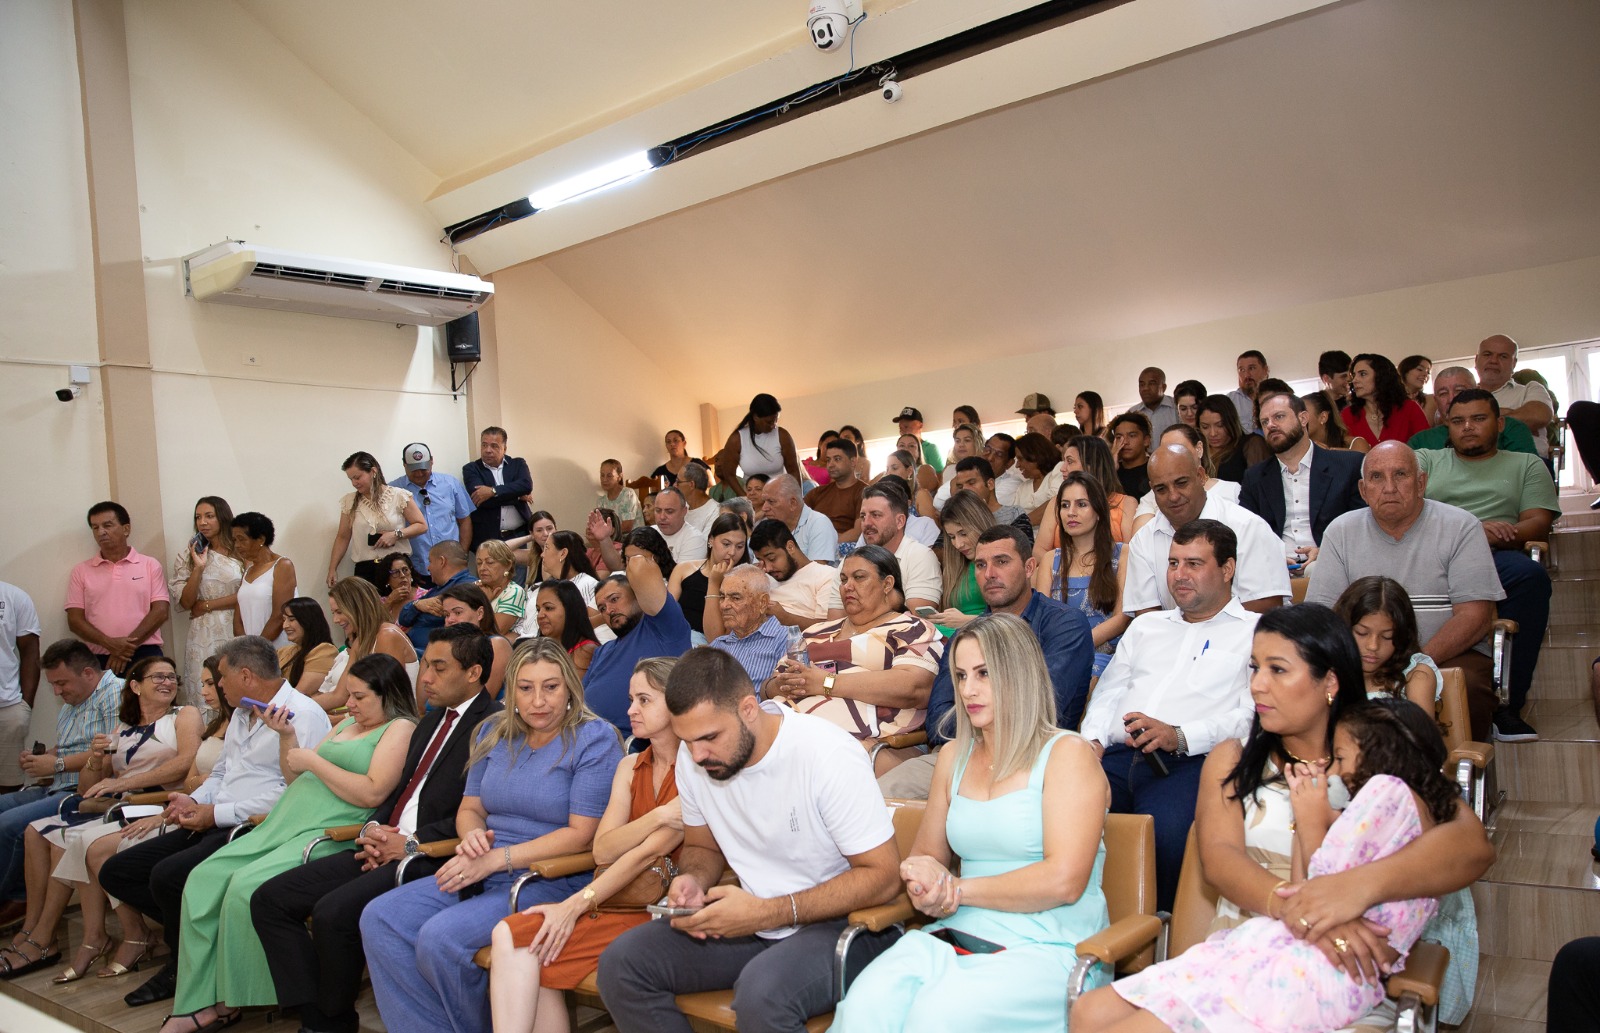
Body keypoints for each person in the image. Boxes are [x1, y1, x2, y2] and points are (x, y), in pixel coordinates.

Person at [1076, 697, 1465, 1033]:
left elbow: (1320, 889)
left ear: (1380, 757)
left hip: (1313, 974)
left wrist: (1311, 820)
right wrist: (1309, 822)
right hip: (1292, 954)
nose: (1333, 771)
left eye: (1342, 758)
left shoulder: (1389, 795)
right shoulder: (1400, 812)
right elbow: (1304, 888)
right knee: (1090, 1010)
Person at [595, 647, 901, 1032]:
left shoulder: (825, 753)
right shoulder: (696, 758)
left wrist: (767, 912)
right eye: (687, 740)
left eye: (709, 737)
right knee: (622, 964)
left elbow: (883, 876)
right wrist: (693, 881)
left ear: (748, 709)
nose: (698, 755)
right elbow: (702, 847)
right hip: (755, 920)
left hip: (844, 924)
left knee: (761, 995)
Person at [833, 612, 1109, 1033]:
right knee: (864, 1008)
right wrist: (922, 879)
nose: (967, 690)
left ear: (1019, 674)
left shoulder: (1068, 754)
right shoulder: (952, 756)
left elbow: (1064, 881)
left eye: (984, 673)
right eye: (960, 676)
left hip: (1051, 942)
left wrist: (957, 889)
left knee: (935, 1019)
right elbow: (928, 855)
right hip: (961, 928)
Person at [361, 639, 621, 1033]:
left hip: (548, 878)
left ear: (570, 688)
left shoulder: (593, 738)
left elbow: (581, 836)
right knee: (381, 918)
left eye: (551, 687)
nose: (538, 701)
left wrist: (496, 860)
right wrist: (472, 839)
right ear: (511, 691)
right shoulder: (494, 732)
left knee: (440, 939)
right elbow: (470, 810)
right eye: (526, 688)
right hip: (482, 865)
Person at [251, 625, 498, 1033]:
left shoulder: (493, 726)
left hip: (428, 855)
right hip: (384, 842)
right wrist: (373, 830)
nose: (426, 677)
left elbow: (478, 813)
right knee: (270, 900)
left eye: (439, 668)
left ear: (473, 673)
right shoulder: (431, 721)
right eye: (426, 666)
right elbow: (399, 793)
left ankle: (329, 1023)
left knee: (332, 914)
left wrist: (410, 844)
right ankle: (318, 1014)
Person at [157, 647, 415, 1033]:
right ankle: (196, 998)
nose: (349, 704)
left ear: (388, 694)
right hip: (287, 818)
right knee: (203, 878)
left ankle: (234, 996)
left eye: (359, 697)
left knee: (243, 886)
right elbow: (296, 778)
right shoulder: (346, 724)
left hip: (327, 828)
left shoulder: (400, 727)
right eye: (349, 694)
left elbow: (373, 792)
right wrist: (287, 737)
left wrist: (313, 761)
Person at [97, 636, 330, 1010]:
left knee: (169, 876)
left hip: (255, 827)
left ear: (246, 675)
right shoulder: (240, 712)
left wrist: (215, 814)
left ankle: (183, 967)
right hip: (215, 816)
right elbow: (222, 773)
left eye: (221, 677)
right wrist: (194, 800)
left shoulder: (303, 714)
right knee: (118, 871)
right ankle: (200, 943)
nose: (219, 685)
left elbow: (294, 793)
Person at [487, 657, 683, 1033]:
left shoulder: (697, 768)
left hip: (657, 908)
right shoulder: (630, 766)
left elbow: (645, 853)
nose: (631, 710)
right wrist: (659, 816)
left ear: (676, 703)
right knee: (514, 935)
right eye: (631, 699)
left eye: (644, 700)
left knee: (529, 944)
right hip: (613, 896)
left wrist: (574, 905)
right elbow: (603, 850)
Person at [1082, 520, 1259, 909]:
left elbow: (1252, 717)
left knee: (1167, 836)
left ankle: (1157, 932)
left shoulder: (1256, 633)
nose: (1179, 575)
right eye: (1173, 563)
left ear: (1227, 568)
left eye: (1194, 564)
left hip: (1189, 763)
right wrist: (1092, 741)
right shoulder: (1147, 626)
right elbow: (1110, 692)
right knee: (1061, 815)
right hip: (1115, 756)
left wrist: (1179, 735)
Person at [1306, 442, 1505, 741]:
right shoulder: (1340, 531)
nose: (1389, 488)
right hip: (1364, 656)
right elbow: (1322, 616)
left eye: (1400, 474)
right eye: (1376, 477)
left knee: (1469, 689)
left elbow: (1475, 617)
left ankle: (1454, 767)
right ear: (1362, 490)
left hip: (1448, 655)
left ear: (1421, 482)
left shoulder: (1462, 526)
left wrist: (1413, 664)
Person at [19, 654, 200, 983]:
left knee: (81, 843)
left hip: (158, 804)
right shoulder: (123, 726)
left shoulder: (183, 715)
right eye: (158, 677)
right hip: (120, 806)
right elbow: (88, 790)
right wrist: (96, 759)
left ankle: (129, 934)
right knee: (47, 835)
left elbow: (187, 761)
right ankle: (83, 934)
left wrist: (123, 783)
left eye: (171, 677)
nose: (167, 682)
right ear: (136, 686)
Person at [880, 526, 1094, 799]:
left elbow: (1045, 708)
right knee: (883, 795)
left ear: (1029, 567)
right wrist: (992, 721)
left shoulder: (1064, 625)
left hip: (1035, 759)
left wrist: (975, 717)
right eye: (981, 565)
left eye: (1001, 562)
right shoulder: (965, 636)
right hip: (962, 755)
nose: (990, 573)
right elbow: (938, 722)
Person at [1416, 389, 1556, 742]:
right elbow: (1403, 508)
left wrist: (1492, 535)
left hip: (1495, 554)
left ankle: (1506, 708)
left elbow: (1538, 522)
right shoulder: (1426, 460)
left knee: (1531, 577)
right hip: (1432, 551)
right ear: (1447, 427)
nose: (1467, 427)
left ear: (1500, 424)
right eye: (1458, 421)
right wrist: (1471, 529)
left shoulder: (1525, 464)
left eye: (1478, 419)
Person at [766, 547, 943, 773]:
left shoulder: (912, 629)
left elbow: (914, 688)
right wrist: (781, 685)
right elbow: (769, 687)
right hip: (784, 730)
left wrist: (825, 683)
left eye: (859, 577)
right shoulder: (815, 632)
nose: (847, 586)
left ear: (887, 584)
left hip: (859, 745)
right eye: (843, 579)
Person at [0, 638, 120, 947]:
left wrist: (56, 764)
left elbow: (111, 752)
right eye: (53, 684)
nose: (57, 691)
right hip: (55, 785)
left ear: (88, 673)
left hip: (86, 792)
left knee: (9, 826)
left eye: (61, 683)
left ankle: (17, 898)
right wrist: (42, 758)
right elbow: (67, 748)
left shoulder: (115, 693)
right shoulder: (72, 702)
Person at [1124, 446, 1290, 615]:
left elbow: (1265, 607)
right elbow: (1147, 617)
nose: (1173, 496)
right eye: (1161, 489)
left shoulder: (1248, 527)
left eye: (1181, 483)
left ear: (1201, 476)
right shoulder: (1143, 541)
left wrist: (1199, 627)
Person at [1239, 390, 1367, 573]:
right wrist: (1272, 556)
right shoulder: (1254, 477)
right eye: (1265, 422)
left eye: (1279, 417)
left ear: (1303, 419)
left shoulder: (1348, 466)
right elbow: (1247, 534)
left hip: (1334, 564)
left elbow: (1363, 526)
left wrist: (1326, 552)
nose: (1271, 425)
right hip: (1276, 569)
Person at [585, 552, 693, 732]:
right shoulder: (602, 651)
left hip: (634, 740)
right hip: (586, 736)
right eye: (602, 608)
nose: (609, 610)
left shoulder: (664, 627)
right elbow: (579, 699)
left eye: (614, 599)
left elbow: (638, 565)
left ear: (637, 595)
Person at [1035, 472, 1130, 676]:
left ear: (1099, 511)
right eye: (1065, 505)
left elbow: (1122, 617)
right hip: (1060, 655)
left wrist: (1078, 642)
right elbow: (1043, 619)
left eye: (1081, 504)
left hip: (1107, 655)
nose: (1071, 512)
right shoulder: (1050, 560)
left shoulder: (1123, 554)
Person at [67, 502, 171, 675]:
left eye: (107, 525)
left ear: (126, 529)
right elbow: (74, 620)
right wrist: (110, 644)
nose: (101, 532)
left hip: (145, 653)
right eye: (95, 527)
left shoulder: (150, 565)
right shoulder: (81, 571)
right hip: (99, 657)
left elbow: (160, 612)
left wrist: (125, 648)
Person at [168, 497, 242, 703]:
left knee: (235, 683)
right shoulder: (188, 555)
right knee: (206, 687)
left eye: (209, 516)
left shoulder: (240, 550)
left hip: (235, 624)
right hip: (202, 633)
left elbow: (250, 592)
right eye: (198, 517)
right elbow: (186, 603)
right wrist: (198, 567)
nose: (203, 522)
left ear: (222, 518)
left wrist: (208, 605)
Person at [1333, 577, 1440, 709]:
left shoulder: (1415, 675)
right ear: (1342, 628)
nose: (1373, 646)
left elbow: (1420, 722)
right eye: (1362, 633)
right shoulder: (1325, 671)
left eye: (1387, 636)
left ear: (1403, 636)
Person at [327, 451, 428, 592]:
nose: (354, 483)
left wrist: (396, 534)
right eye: (351, 479)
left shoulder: (398, 495)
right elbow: (343, 537)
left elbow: (421, 525)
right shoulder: (349, 501)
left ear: (373, 471)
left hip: (396, 569)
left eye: (357, 477)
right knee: (368, 606)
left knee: (401, 604)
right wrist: (332, 568)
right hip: (366, 570)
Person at [319, 577, 419, 713]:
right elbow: (339, 695)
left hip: (396, 718)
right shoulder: (360, 642)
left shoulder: (387, 635)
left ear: (358, 607)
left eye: (339, 612)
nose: (335, 620)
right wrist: (297, 705)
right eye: (333, 613)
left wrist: (339, 719)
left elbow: (390, 700)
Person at [1129, 424, 1241, 537]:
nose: (1173, 497)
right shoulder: (1151, 497)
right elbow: (1141, 538)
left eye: (1179, 449)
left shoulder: (1231, 490)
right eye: (1166, 451)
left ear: (1199, 449)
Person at [1410, 366, 1539, 455]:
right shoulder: (1421, 441)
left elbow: (1527, 474)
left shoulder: (1510, 428)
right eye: (1443, 393)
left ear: (1478, 391)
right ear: (1435, 400)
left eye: (1459, 390)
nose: (1452, 399)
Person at [704, 565, 790, 695]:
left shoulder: (786, 640)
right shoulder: (718, 645)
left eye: (735, 598)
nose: (724, 605)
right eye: (722, 597)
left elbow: (787, 695)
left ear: (762, 603)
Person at [859, 481, 943, 611]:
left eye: (876, 515)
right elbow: (835, 617)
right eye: (863, 516)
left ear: (900, 521)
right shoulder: (852, 561)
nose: (866, 523)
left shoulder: (920, 557)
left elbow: (917, 618)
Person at [669, 514, 750, 645]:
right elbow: (667, 615)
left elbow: (716, 638)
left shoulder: (743, 582)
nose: (732, 552)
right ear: (711, 540)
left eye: (739, 546)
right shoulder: (684, 569)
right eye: (726, 544)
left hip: (707, 646)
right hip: (675, 637)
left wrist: (715, 583)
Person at [391, 442, 475, 569]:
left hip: (451, 564)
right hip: (414, 566)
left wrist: (462, 555)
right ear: (404, 464)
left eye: (423, 469)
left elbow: (465, 521)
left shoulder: (450, 484)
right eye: (414, 469)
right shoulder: (394, 490)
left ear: (431, 461)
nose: (419, 474)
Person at [749, 519, 844, 629]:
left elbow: (830, 628)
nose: (768, 568)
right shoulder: (763, 578)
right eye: (761, 561)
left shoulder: (826, 576)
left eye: (772, 558)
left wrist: (786, 618)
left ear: (790, 547)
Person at [1476, 334, 1555, 462]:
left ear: (1514, 363)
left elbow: (1538, 416)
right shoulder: (1462, 396)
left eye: (1503, 356)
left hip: (1526, 462)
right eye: (1487, 354)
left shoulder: (1531, 389)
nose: (1493, 361)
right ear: (1476, 360)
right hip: (1474, 464)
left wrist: (1476, 420)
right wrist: (1514, 420)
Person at [928, 491, 996, 632]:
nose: (958, 544)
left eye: (963, 534)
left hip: (986, 635)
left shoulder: (1002, 565)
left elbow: (1016, 618)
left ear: (979, 524)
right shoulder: (954, 568)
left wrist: (968, 621)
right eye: (952, 537)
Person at [230, 511, 296, 648]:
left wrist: (257, 648)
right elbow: (238, 620)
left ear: (260, 539)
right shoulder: (247, 571)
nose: (236, 545)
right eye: (234, 540)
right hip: (250, 651)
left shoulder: (282, 566)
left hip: (276, 648)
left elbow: (279, 616)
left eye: (241, 539)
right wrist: (245, 647)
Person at [398, 541, 476, 654]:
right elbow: (403, 619)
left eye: (430, 561)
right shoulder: (436, 589)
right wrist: (417, 605)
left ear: (442, 561)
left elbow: (439, 616)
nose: (428, 568)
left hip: (433, 654)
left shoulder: (468, 586)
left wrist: (418, 611)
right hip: (412, 648)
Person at [462, 426, 535, 546]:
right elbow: (482, 501)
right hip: (489, 539)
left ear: (504, 448)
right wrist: (517, 497)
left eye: (494, 446)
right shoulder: (471, 469)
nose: (488, 450)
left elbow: (526, 485)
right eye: (484, 445)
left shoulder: (517, 464)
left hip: (518, 535)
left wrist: (493, 491)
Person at [0, 582, 40, 794]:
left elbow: (30, 652)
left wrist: (25, 706)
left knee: (8, 785)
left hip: (7, 707)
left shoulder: (14, 596)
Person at [1343, 353, 1431, 447]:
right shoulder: (1348, 415)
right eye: (1354, 375)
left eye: (1362, 374)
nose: (1355, 380)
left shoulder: (1410, 408)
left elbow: (1427, 446)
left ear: (1381, 376)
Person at [440, 584, 512, 698]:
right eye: (446, 615)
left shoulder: (496, 645)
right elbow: (422, 702)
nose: (450, 620)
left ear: (480, 613)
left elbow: (482, 699)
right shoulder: (447, 647)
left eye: (458, 612)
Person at [717, 394, 802, 487]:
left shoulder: (783, 436)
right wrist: (744, 495)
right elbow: (729, 474)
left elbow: (794, 471)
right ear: (755, 417)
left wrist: (798, 495)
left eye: (776, 420)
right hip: (752, 494)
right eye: (769, 422)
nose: (774, 425)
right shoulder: (737, 439)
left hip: (780, 492)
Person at [943, 457, 1033, 542]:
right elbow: (940, 549)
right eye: (960, 486)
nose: (965, 489)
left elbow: (1024, 548)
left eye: (971, 483)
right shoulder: (956, 515)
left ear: (990, 484)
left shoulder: (1014, 514)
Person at [761, 475, 839, 563]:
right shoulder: (767, 527)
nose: (764, 508)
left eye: (771, 501)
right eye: (764, 501)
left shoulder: (819, 524)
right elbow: (757, 565)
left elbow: (818, 569)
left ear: (793, 503)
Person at [531, 580, 602, 676]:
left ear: (570, 610)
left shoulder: (585, 651)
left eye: (548, 608)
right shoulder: (541, 649)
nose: (540, 615)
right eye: (538, 609)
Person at [1197, 394, 1271, 483]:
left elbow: (1262, 485)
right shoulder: (1197, 452)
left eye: (1220, 425)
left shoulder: (1251, 445)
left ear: (1231, 422)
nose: (1213, 433)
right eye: (1205, 427)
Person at [806, 437, 866, 540]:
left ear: (853, 461)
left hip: (843, 547)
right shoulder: (817, 492)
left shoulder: (865, 492)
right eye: (828, 460)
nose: (830, 465)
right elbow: (795, 520)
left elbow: (858, 533)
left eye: (837, 459)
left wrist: (827, 543)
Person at [277, 597, 337, 696]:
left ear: (308, 620)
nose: (285, 626)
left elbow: (300, 694)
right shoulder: (283, 651)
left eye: (291, 619)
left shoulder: (325, 650)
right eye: (284, 620)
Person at [925, 423, 984, 514]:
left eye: (967, 440)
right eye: (957, 441)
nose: (961, 445)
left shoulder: (984, 468)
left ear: (977, 443)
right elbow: (938, 504)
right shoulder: (949, 470)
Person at [474, 539, 527, 636]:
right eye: (479, 563)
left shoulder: (514, 592)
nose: (482, 568)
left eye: (490, 562)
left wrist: (484, 601)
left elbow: (494, 632)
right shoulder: (475, 586)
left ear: (508, 565)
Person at [1011, 433, 1064, 528]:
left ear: (1035, 456)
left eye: (1020, 459)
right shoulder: (1023, 488)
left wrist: (1022, 524)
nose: (1017, 465)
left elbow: (1057, 503)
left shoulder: (1058, 472)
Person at [646, 487, 708, 565]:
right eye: (658, 510)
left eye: (669, 511)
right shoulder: (648, 533)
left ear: (684, 512)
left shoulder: (695, 540)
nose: (662, 517)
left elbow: (682, 573)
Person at [1127, 366, 1178, 443]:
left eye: (1152, 383)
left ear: (1163, 387)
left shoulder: (1177, 408)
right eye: (1142, 384)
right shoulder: (1132, 413)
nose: (1145, 388)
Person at [1109, 414, 1154, 497]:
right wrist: (1110, 468)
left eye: (1132, 436)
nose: (1125, 442)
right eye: (1119, 437)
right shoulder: (1111, 472)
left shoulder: (1155, 469)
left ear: (1146, 440)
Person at [892, 406, 946, 474]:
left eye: (906, 427)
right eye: (900, 428)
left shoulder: (930, 448)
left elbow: (940, 476)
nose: (903, 431)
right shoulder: (898, 452)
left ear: (920, 426)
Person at [1228, 349, 1270, 433]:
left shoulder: (1279, 396)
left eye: (1252, 368)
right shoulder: (1230, 401)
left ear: (1265, 370)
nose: (1247, 375)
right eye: (1241, 370)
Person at [595, 459, 641, 532]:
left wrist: (606, 532)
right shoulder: (601, 502)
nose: (604, 479)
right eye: (602, 475)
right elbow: (601, 526)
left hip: (634, 537)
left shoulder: (628, 494)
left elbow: (627, 527)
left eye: (609, 476)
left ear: (619, 477)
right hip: (612, 538)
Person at [677, 461, 720, 537]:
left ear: (691, 484)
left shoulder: (715, 512)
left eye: (678, 482)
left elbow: (704, 542)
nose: (675, 485)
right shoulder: (682, 506)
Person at [379, 552, 423, 625]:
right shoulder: (382, 602)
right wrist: (390, 601)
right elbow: (372, 626)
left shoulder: (426, 595)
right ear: (387, 579)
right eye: (395, 572)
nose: (402, 575)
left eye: (405, 570)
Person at [584, 508, 625, 577]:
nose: (589, 528)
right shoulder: (588, 551)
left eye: (595, 524)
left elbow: (600, 579)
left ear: (611, 530)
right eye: (590, 524)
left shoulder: (616, 549)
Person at [1399, 354, 1435, 425]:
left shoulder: (1431, 400)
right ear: (1404, 372)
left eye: (1428, 372)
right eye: (1420, 369)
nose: (1425, 374)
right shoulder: (1388, 400)